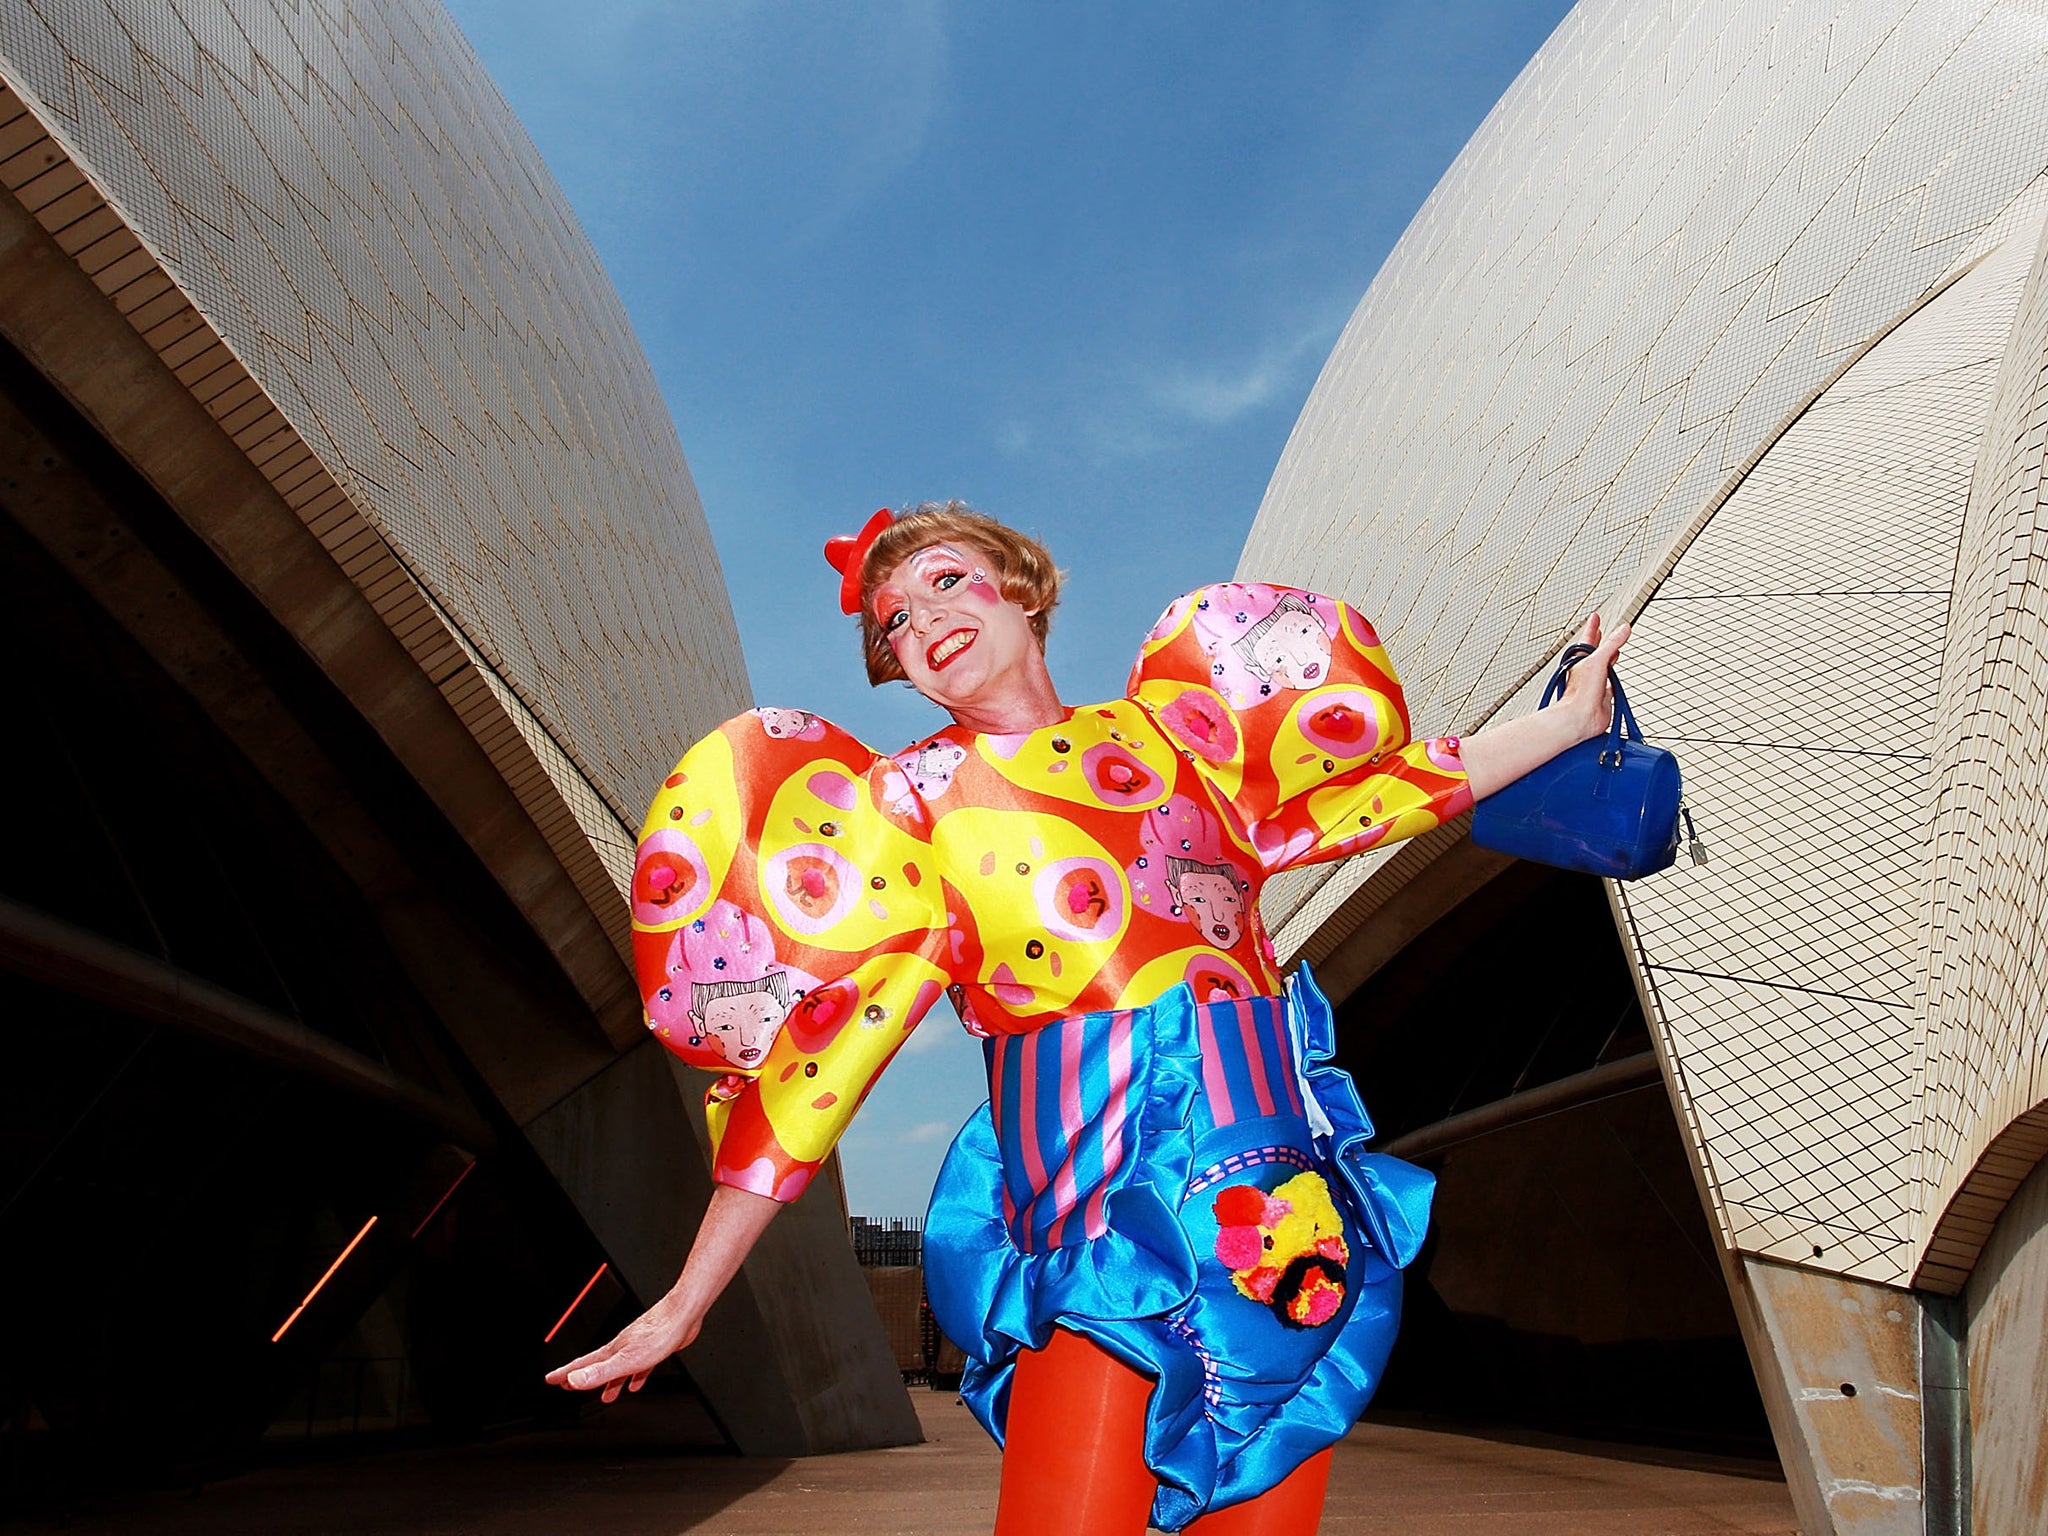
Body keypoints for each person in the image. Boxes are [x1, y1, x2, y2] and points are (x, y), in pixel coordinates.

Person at [549, 502, 1628, 1534]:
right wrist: (686, 1299)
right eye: (894, 622)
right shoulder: (910, 807)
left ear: (1023, 594)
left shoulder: (1184, 741)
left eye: (942, 583)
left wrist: (1568, 720)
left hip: (1270, 1211)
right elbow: (815, 1080)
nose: (919, 620)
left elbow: (1394, 790)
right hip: (1095, 1217)